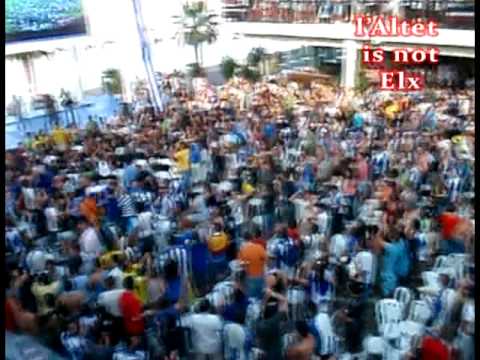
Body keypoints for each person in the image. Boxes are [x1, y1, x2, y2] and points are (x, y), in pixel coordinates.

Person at [237, 233, 267, 299]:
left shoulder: (242, 250)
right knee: (261, 297)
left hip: (249, 278)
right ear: (252, 239)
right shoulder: (259, 247)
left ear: (244, 240)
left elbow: (240, 265)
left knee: (251, 299)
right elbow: (265, 260)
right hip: (261, 276)